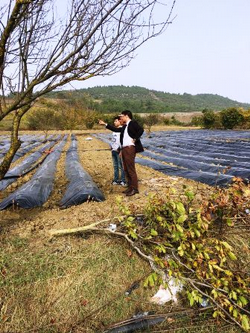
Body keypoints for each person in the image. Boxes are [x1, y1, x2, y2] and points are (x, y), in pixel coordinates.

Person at [99, 110, 144, 196]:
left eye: (122, 116)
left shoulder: (132, 123)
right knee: (126, 169)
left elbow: (141, 130)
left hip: (130, 148)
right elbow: (115, 129)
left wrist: (135, 138)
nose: (120, 118)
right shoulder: (124, 126)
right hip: (124, 149)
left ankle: (135, 189)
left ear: (126, 116)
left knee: (131, 169)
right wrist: (105, 124)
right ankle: (130, 187)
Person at [110, 116, 126, 186]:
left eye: (116, 121)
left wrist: (120, 150)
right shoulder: (114, 130)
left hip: (118, 151)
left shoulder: (121, 130)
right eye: (114, 121)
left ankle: (123, 180)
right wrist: (111, 146)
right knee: (115, 166)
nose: (114, 122)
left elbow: (122, 141)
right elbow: (114, 140)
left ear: (120, 121)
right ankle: (116, 180)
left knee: (121, 166)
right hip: (113, 150)